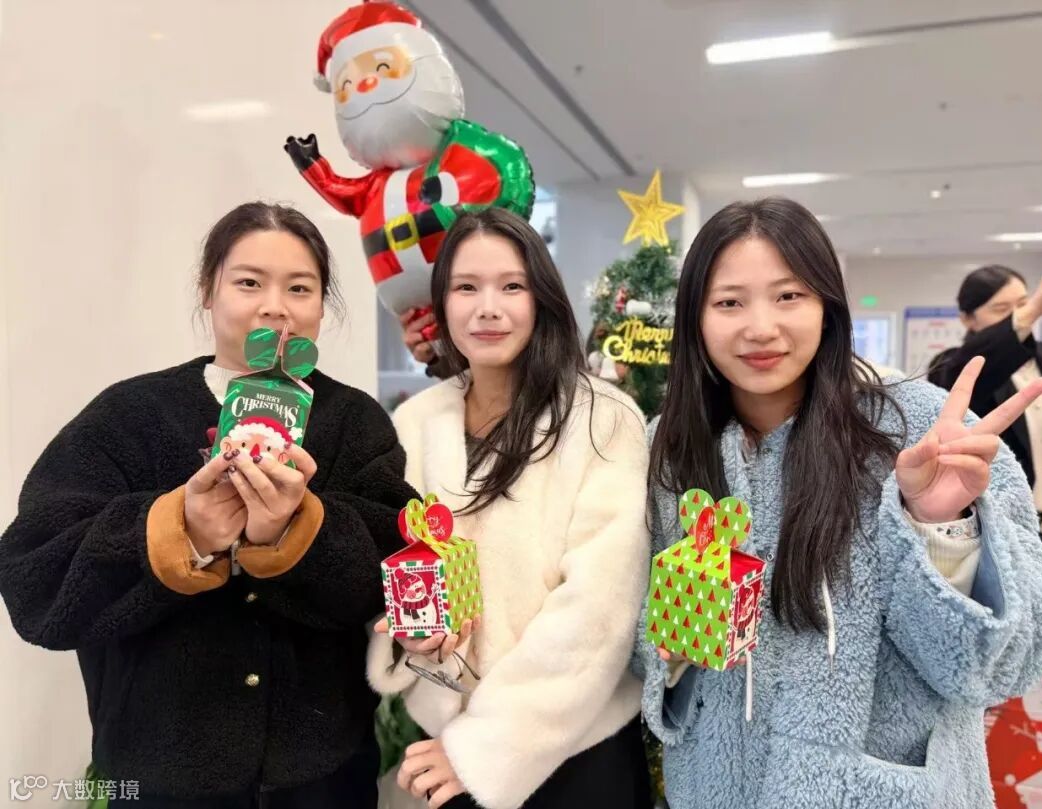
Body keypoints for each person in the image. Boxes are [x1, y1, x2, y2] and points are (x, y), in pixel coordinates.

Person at [637, 198, 1042, 808]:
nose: (760, 327)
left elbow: (1017, 658)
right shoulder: (669, 449)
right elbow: (641, 635)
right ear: (695, 318)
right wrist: (675, 654)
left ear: (828, 305)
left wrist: (940, 527)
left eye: (788, 296)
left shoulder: (920, 428)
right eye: (729, 302)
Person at [0, 202, 416, 808]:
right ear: (208, 291)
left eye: (300, 288)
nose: (275, 306)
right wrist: (178, 531)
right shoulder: (128, 416)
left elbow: (397, 574)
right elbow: (35, 579)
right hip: (160, 777)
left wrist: (300, 533)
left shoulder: (355, 422)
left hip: (322, 779)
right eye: (248, 282)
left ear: (322, 306)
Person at [367, 208, 652, 809]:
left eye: (512, 286)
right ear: (442, 304)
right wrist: (413, 639)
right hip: (444, 740)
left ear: (541, 298)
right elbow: (398, 568)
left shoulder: (603, 419)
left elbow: (598, 609)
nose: (487, 308)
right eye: (466, 288)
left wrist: (485, 748)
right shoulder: (415, 422)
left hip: (573, 751)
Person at [928, 264, 1042, 582]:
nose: (1019, 314)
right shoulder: (953, 366)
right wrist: (1030, 311)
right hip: (998, 520)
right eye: (1001, 309)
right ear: (967, 319)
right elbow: (964, 375)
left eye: (1023, 303)